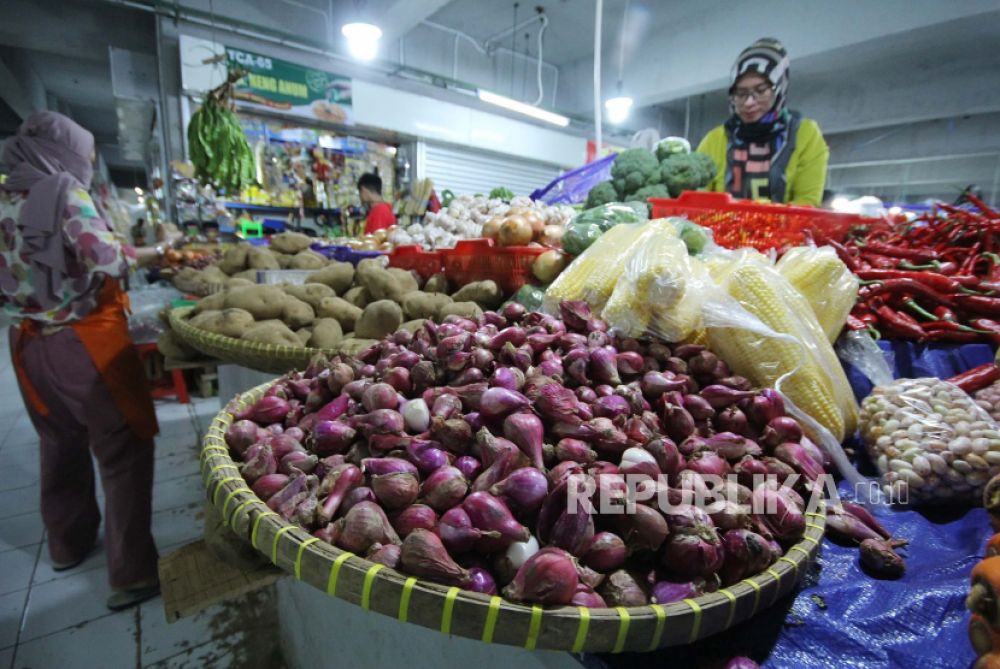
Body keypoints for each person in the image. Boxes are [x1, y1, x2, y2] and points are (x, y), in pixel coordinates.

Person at [1, 111, 161, 611]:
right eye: (84, 156)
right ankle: (131, 574)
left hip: (27, 344)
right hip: (84, 342)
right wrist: (155, 252)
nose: (85, 165)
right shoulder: (62, 190)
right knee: (122, 449)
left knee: (58, 442)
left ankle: (67, 544)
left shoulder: (5, 196)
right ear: (65, 152)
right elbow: (107, 258)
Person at [696, 38, 829, 206]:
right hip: (718, 231)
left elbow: (807, 202)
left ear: (780, 89)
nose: (749, 102)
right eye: (741, 93)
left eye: (761, 90)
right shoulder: (715, 139)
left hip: (786, 231)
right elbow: (698, 199)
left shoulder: (805, 133)